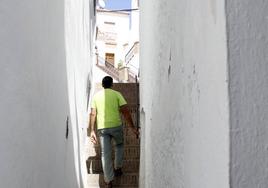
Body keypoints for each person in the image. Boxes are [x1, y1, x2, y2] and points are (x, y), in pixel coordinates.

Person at [89, 76, 139, 188]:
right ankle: (118, 167)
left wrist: (92, 130)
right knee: (119, 145)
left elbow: (93, 113)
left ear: (102, 85)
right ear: (112, 84)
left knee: (105, 154)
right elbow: (125, 111)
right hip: (116, 126)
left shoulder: (96, 96)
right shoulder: (117, 94)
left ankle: (108, 180)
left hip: (102, 128)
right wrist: (132, 127)